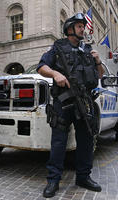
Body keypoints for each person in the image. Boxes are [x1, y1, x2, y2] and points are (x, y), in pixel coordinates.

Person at [37, 13, 105, 198]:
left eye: (84, 26)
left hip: (84, 101)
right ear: (70, 29)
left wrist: (98, 60)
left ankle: (83, 177)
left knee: (86, 140)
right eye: (79, 26)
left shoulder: (88, 50)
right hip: (64, 102)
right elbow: (41, 67)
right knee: (59, 142)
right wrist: (55, 75)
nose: (83, 28)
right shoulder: (58, 47)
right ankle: (53, 180)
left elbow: (99, 75)